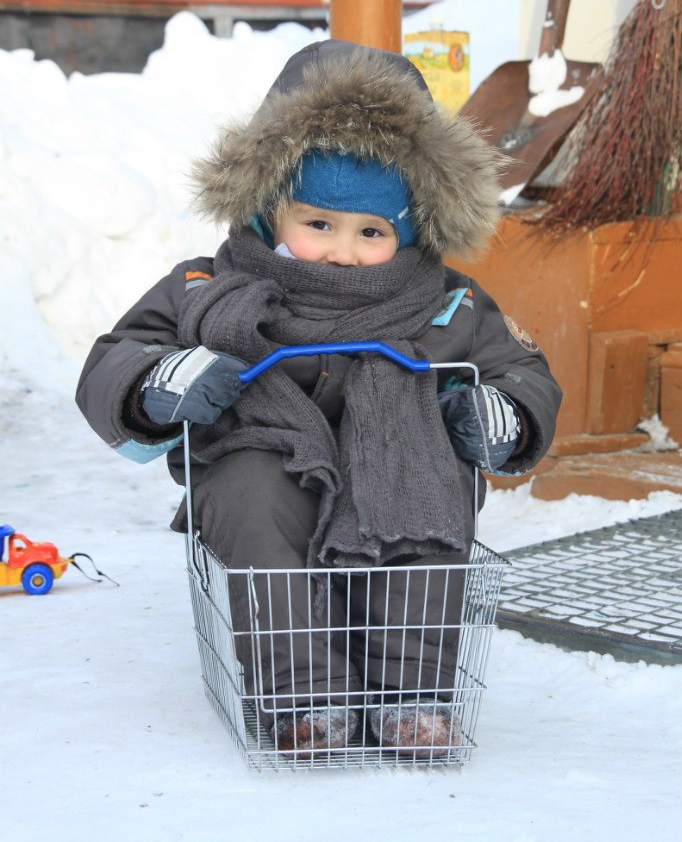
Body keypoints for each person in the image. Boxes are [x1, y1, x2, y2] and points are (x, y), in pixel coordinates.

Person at [76, 39, 562, 756]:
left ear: (414, 227)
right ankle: (306, 697)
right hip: (264, 457)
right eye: (319, 225)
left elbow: (521, 371)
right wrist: (160, 381)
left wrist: (504, 414)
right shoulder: (209, 287)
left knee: (425, 489)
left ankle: (412, 694)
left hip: (402, 462)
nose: (342, 250)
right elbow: (117, 358)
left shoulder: (446, 305)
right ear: (272, 208)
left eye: (372, 232)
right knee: (252, 494)